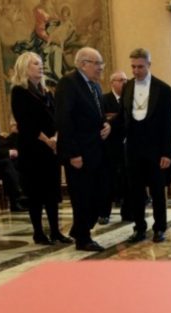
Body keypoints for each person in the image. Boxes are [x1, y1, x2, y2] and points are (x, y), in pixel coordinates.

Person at [11, 51, 71, 246]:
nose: (41, 66)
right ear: (25, 68)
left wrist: (56, 137)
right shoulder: (19, 92)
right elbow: (25, 123)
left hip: (50, 150)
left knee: (52, 193)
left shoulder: (46, 92)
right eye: (36, 63)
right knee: (36, 194)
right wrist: (47, 140)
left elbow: (56, 118)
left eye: (40, 63)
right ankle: (39, 232)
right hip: (32, 150)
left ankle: (55, 231)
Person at [115, 48, 171, 244]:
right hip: (132, 147)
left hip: (156, 148)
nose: (136, 71)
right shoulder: (128, 86)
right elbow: (123, 116)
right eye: (133, 66)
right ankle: (139, 227)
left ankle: (159, 228)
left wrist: (167, 153)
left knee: (157, 191)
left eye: (140, 66)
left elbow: (168, 123)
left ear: (149, 65)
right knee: (135, 191)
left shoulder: (163, 89)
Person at [54, 46, 111, 251]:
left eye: (101, 63)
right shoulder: (68, 83)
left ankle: (80, 228)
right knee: (82, 196)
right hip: (78, 153)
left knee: (99, 194)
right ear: (83, 64)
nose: (100, 68)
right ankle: (83, 239)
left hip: (96, 151)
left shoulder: (94, 86)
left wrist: (107, 125)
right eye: (97, 63)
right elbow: (64, 120)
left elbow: (99, 115)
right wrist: (73, 153)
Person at [98, 70, 127, 225]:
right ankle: (104, 213)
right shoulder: (104, 100)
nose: (124, 83)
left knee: (126, 180)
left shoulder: (129, 99)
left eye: (126, 80)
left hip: (127, 147)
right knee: (107, 181)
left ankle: (128, 211)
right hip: (109, 147)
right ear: (112, 83)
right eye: (121, 80)